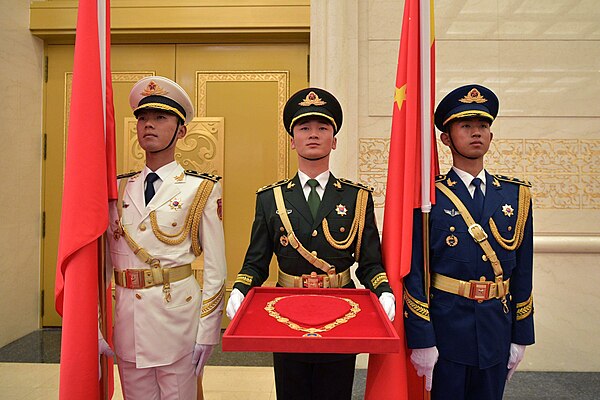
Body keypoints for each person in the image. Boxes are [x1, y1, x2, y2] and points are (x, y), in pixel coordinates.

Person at [225, 87, 396, 400]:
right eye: (304, 128)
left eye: (322, 128)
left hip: (342, 310)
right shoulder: (270, 199)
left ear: (334, 140)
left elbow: (370, 261)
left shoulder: (357, 198)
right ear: (292, 140)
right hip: (286, 310)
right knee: (292, 391)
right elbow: (256, 261)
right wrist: (240, 287)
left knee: (336, 390)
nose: (313, 134)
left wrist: (384, 291)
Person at [403, 84, 535, 399]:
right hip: (446, 327)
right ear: (446, 138)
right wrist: (422, 338)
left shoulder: (516, 195)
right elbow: (415, 270)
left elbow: (524, 271)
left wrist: (521, 336)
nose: (477, 133)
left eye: (483, 126)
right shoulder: (427, 197)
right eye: (466, 126)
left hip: (496, 327)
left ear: (491, 135)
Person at [100, 76, 227, 399]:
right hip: (128, 323)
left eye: (160, 118)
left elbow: (215, 269)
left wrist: (207, 333)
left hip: (178, 323)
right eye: (142, 118)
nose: (148, 125)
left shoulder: (200, 189)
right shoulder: (115, 188)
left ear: (181, 131)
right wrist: (93, 324)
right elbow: (101, 264)